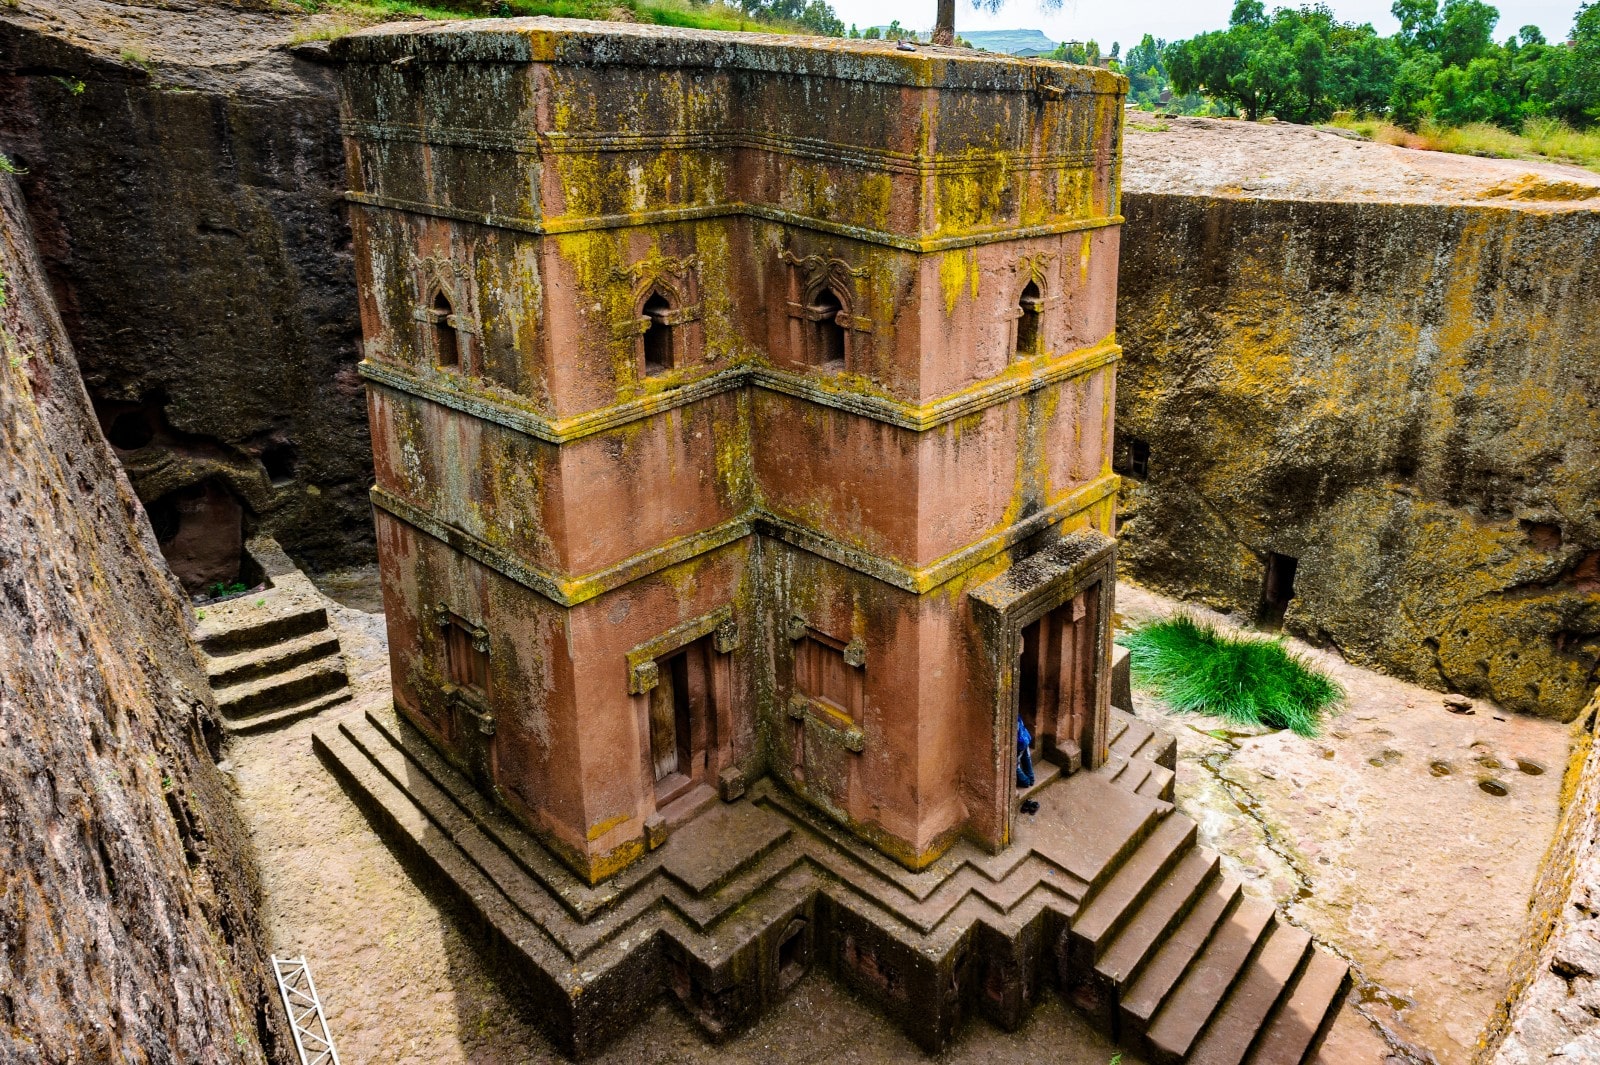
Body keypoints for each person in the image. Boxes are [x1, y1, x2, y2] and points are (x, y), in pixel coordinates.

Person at [1016, 716, 1035, 789]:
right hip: (1025, 737)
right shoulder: (1018, 717)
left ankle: (1025, 782)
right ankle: (1031, 779)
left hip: (1020, 743)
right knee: (1026, 757)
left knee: (1015, 765)